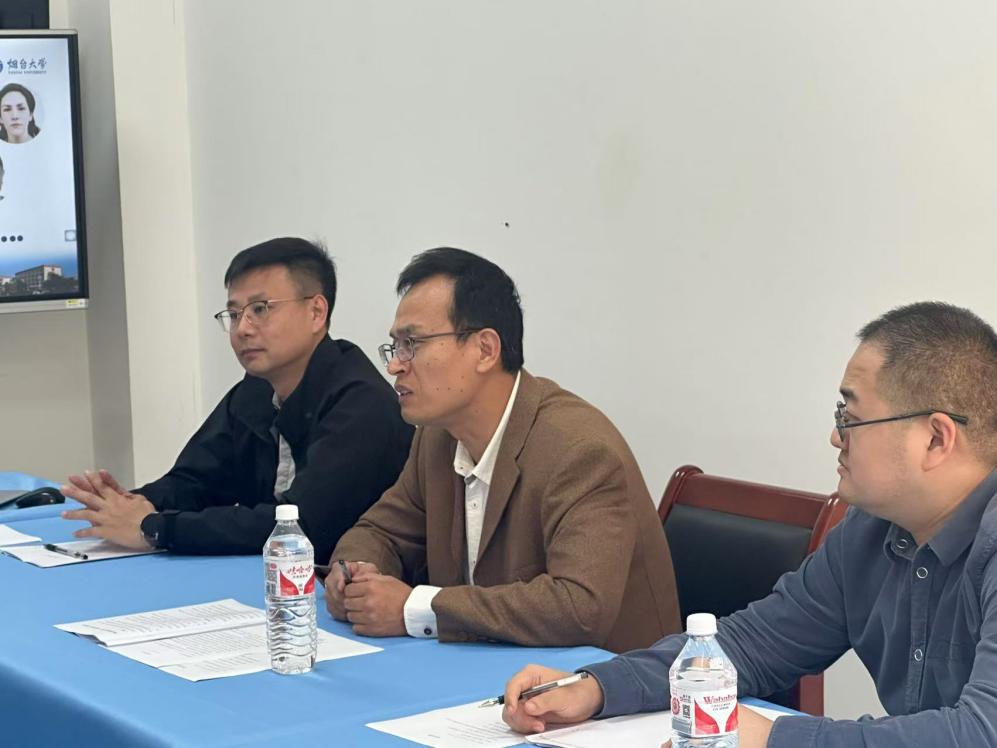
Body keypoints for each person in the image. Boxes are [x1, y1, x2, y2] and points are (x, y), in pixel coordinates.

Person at [502, 300, 997, 748]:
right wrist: (599, 687)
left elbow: (982, 732)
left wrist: (773, 739)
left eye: (850, 417)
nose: (835, 436)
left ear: (936, 439)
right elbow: (752, 646)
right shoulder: (869, 531)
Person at [325, 247, 681, 652]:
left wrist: (416, 608)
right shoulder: (437, 437)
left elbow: (581, 607)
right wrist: (355, 573)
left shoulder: (580, 451)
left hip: (601, 680)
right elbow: (380, 531)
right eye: (395, 346)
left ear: (485, 350)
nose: (394, 366)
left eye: (413, 344)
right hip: (486, 668)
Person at [61, 237, 414, 562]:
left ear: (316, 312)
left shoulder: (361, 404)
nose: (242, 328)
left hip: (336, 587)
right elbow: (194, 481)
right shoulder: (256, 390)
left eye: (260, 309)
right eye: (233, 314)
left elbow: (302, 526)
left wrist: (154, 528)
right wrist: (126, 504)